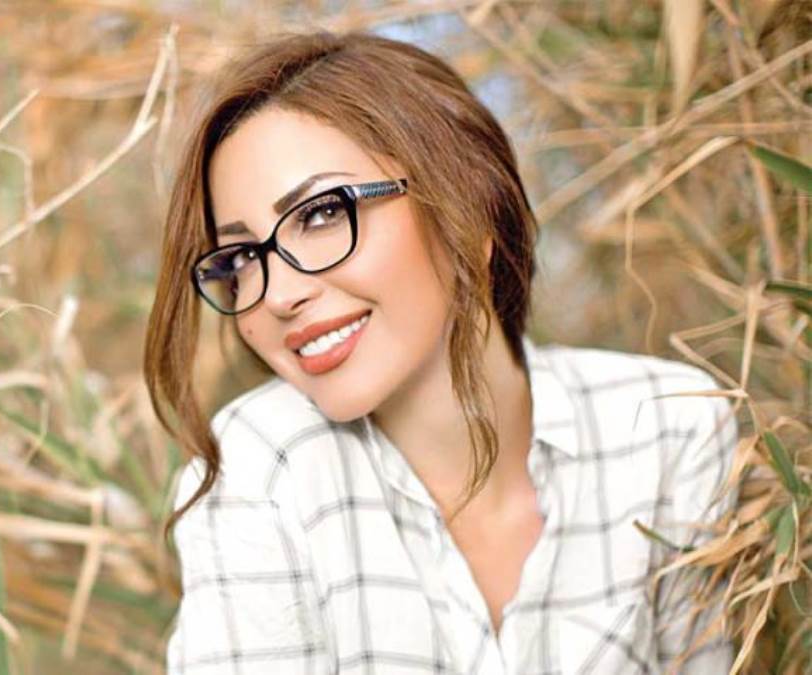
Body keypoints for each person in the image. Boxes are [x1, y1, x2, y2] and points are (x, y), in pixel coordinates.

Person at [143, 28, 739, 675]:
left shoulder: (669, 428)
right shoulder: (261, 470)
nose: (279, 294)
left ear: (468, 205)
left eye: (320, 214)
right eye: (240, 258)